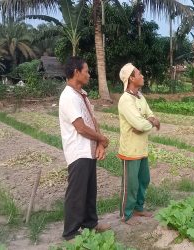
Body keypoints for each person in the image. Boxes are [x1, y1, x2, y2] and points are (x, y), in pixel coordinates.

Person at [59, 57, 111, 240]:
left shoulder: (82, 95)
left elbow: (92, 120)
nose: (89, 74)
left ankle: (90, 223)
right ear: (76, 72)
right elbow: (80, 127)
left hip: (88, 150)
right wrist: (103, 139)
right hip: (77, 151)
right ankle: (71, 232)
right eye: (86, 71)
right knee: (77, 193)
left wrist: (99, 144)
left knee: (90, 191)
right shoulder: (68, 97)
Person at [117, 63, 160, 225]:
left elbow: (150, 116)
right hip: (130, 150)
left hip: (142, 148)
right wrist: (148, 123)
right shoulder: (125, 100)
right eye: (139, 74)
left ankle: (138, 208)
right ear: (131, 78)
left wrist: (146, 122)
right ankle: (126, 214)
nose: (142, 76)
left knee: (144, 180)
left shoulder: (140, 96)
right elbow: (140, 124)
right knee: (131, 184)